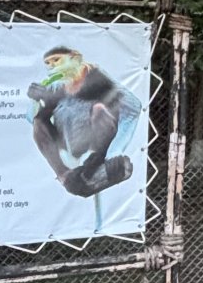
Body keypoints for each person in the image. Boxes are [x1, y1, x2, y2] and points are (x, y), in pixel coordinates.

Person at [28, 45, 138, 198]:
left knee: (100, 109)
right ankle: (64, 175)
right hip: (67, 142)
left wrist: (116, 150)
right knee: (39, 122)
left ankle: (95, 161)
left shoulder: (97, 78)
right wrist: (38, 101)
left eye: (56, 60)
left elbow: (133, 109)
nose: (52, 66)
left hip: (96, 143)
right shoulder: (56, 84)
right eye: (48, 63)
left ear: (74, 58)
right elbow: (30, 118)